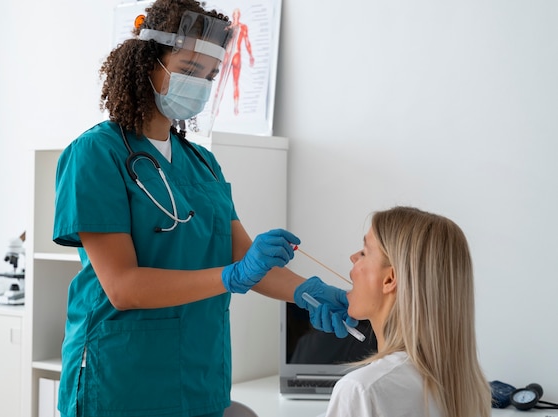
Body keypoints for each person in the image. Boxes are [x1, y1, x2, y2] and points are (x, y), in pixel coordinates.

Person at [52, 1, 356, 416]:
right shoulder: (95, 154)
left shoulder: (202, 163)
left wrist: (306, 293)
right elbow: (123, 288)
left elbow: (244, 257)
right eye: (189, 69)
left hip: (199, 371)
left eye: (210, 75)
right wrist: (232, 277)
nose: (200, 85)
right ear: (147, 63)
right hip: (123, 376)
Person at [324, 206, 492, 417]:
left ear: (390, 279)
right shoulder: (470, 389)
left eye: (364, 252)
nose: (353, 257)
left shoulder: (362, 390)